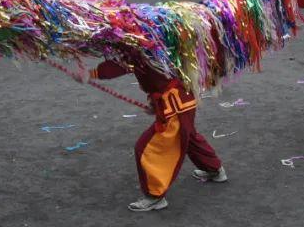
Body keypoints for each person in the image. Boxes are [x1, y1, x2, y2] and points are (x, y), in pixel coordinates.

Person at [77, 51, 225, 212]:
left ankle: (155, 196)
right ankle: (215, 170)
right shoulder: (149, 43)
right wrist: (155, 103)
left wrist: (91, 74)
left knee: (146, 147)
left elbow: (121, 65)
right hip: (182, 101)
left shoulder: (139, 46)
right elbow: (156, 76)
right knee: (188, 136)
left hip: (175, 104)